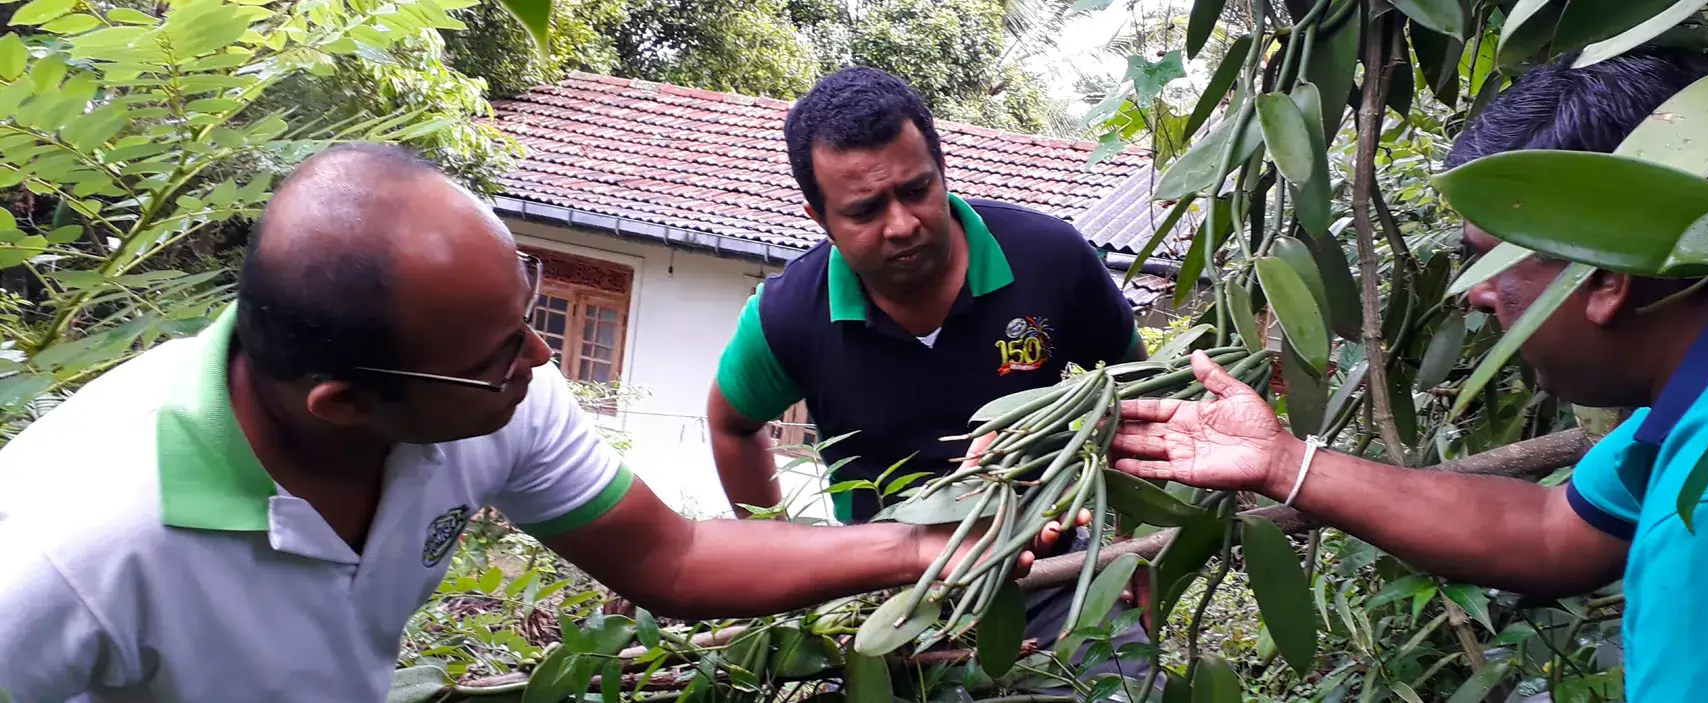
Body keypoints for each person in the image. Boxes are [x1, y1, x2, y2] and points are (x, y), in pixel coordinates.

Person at [0, 143, 1079, 702]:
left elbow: (676, 555)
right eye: (497, 353)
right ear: (345, 404)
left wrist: (918, 547)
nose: (542, 359)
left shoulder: (489, 398)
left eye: (528, 307)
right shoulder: (72, 542)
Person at [1104, 47, 1708, 703]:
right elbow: (1552, 530)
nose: (1480, 298)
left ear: (1603, 277)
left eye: (1489, 266)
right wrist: (1285, 463)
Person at [704, 66, 1152, 683]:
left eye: (917, 190)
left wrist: (1135, 548)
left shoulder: (1052, 259)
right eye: (864, 209)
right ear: (819, 215)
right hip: (887, 595)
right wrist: (786, 555)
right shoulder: (787, 318)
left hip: (1052, 573)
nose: (902, 224)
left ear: (942, 169)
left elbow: (1140, 388)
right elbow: (732, 425)